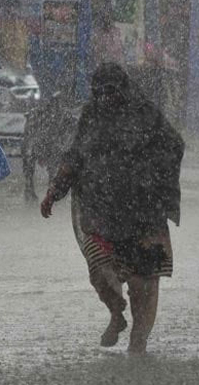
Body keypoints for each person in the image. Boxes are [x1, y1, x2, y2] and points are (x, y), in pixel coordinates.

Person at [40, 63, 184, 354]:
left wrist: (154, 180)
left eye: (112, 91)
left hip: (145, 215)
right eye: (100, 92)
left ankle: (138, 345)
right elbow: (75, 155)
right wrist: (55, 190)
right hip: (101, 214)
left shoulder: (147, 115)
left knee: (144, 284)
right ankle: (116, 314)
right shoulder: (91, 116)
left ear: (124, 90)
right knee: (100, 271)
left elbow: (174, 146)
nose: (106, 98)